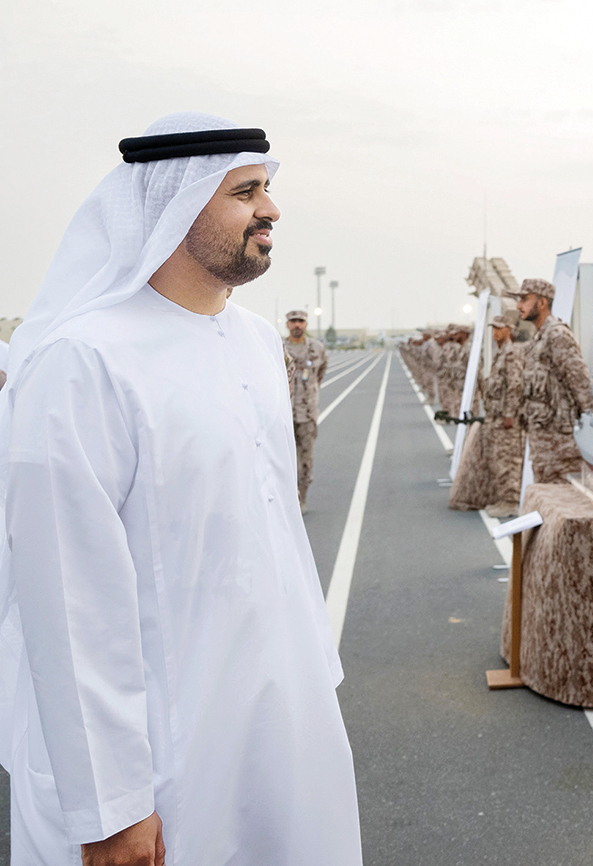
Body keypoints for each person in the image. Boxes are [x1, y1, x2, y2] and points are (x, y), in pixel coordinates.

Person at [1, 113, 362, 864]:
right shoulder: (85, 361)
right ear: (175, 205)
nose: (272, 209)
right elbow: (69, 603)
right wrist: (112, 808)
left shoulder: (259, 344)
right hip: (163, 758)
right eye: (247, 191)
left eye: (268, 189)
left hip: (283, 723)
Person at [515, 278, 593, 484]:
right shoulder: (538, 339)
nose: (519, 305)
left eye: (525, 299)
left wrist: (589, 428)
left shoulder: (557, 335)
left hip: (560, 443)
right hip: (542, 438)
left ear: (542, 303)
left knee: (563, 498)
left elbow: (579, 382)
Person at [284, 309, 328, 509]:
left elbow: (320, 375)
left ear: (306, 324)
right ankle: (285, 498)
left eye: (300, 321)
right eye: (293, 321)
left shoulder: (317, 349)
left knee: (305, 459)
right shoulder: (278, 347)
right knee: (282, 459)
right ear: (287, 325)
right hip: (282, 414)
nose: (297, 325)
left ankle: (301, 498)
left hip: (307, 415)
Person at [483, 315, 526, 518]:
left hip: (506, 418)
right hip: (496, 416)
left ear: (509, 330)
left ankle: (511, 501)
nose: (495, 333)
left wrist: (510, 414)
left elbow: (514, 385)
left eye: (499, 329)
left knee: (509, 459)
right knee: (499, 458)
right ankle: (503, 498)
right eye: (493, 329)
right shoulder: (500, 353)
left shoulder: (511, 353)